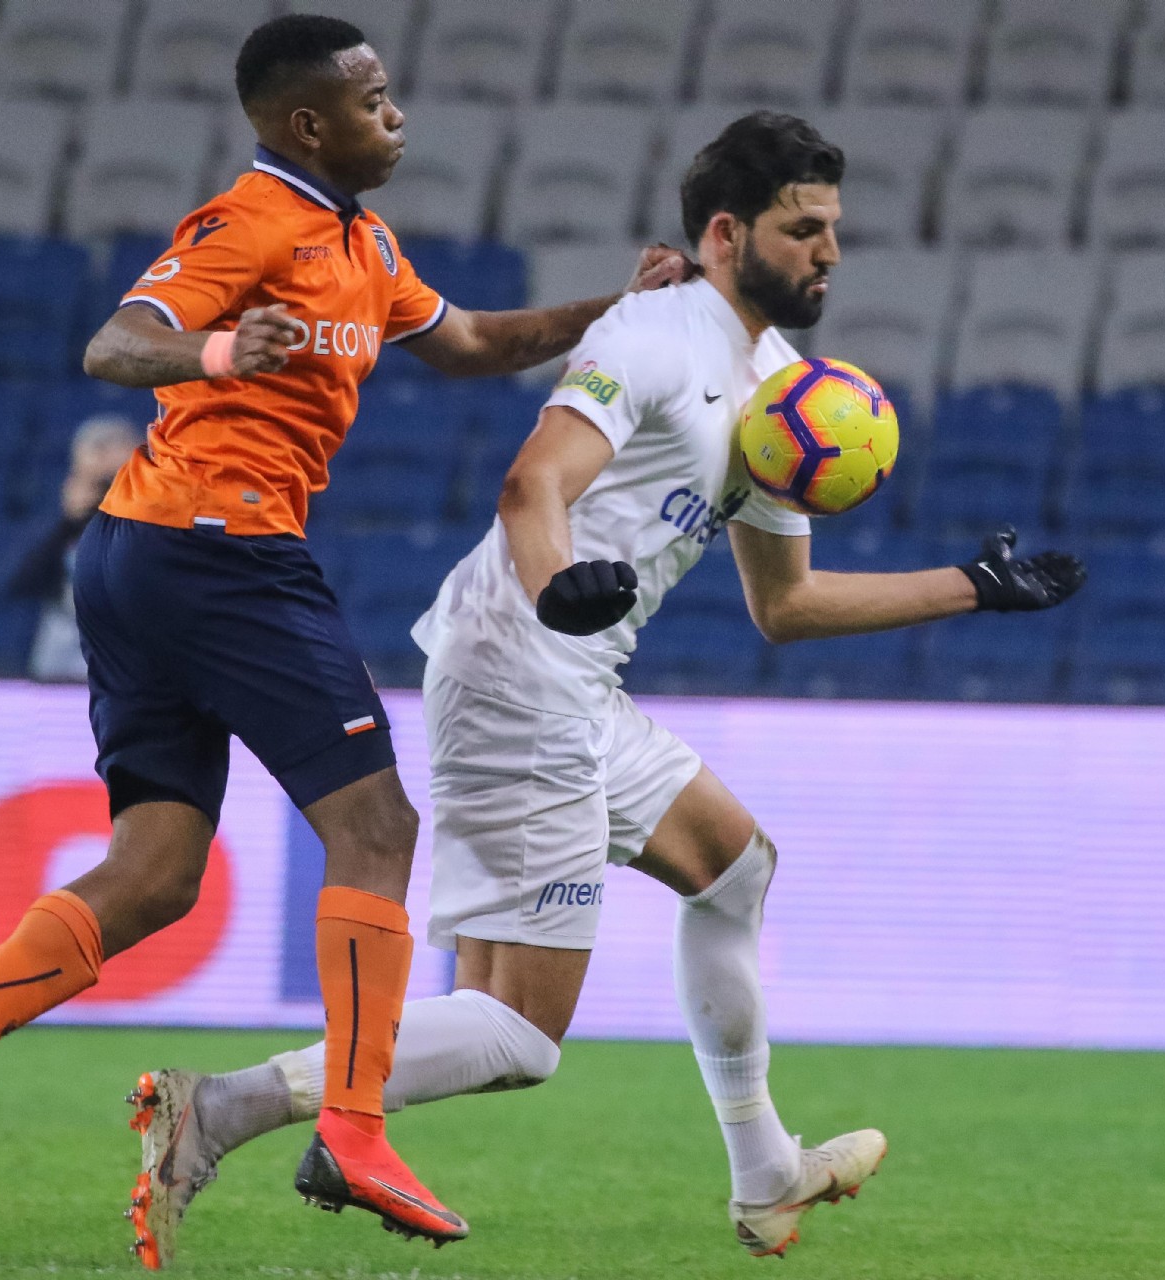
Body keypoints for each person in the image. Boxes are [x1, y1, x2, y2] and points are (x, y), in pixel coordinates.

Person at [135, 111, 1087, 1262]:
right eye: (803, 229)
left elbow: (785, 604)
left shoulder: (784, 394)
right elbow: (532, 485)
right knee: (519, 1035)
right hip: (522, 667)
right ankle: (220, 1107)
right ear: (727, 234)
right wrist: (558, 586)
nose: (829, 252)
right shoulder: (654, 332)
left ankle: (766, 1175)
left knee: (734, 865)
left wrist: (972, 586)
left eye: (834, 228)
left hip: (578, 681)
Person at [0, 12, 689, 1263]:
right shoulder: (252, 220)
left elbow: (470, 344)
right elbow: (115, 343)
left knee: (157, 873)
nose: (396, 116)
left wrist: (620, 308)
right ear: (308, 123)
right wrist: (222, 347)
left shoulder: (363, 241)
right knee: (377, 829)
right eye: (374, 100)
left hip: (145, 555)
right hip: (217, 549)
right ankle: (353, 1125)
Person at [9, 414, 143, 682]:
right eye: (100, 483)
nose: (107, 489)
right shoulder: (60, 524)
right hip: (66, 646)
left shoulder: (160, 522)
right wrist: (69, 521)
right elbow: (19, 582)